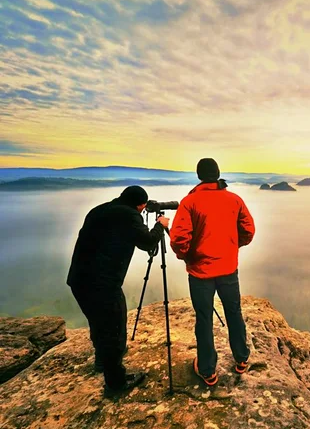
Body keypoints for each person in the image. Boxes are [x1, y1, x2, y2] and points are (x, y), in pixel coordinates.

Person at [67, 185, 170, 392]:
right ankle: (117, 383)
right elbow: (148, 242)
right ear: (140, 205)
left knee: (99, 323)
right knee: (114, 328)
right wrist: (161, 225)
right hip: (103, 284)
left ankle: (102, 362)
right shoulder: (129, 216)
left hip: (79, 280)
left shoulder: (99, 210)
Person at [170, 158, 255, 386]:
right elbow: (248, 230)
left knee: (204, 319)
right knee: (234, 313)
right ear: (218, 174)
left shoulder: (189, 202)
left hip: (200, 273)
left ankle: (207, 370)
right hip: (228, 269)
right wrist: (231, 247)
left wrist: (186, 255)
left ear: (199, 176)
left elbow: (179, 239)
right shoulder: (234, 200)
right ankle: (241, 359)